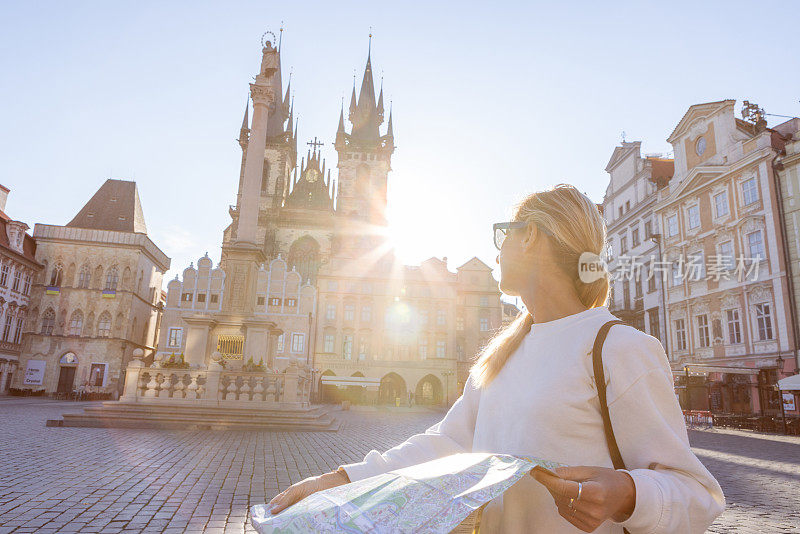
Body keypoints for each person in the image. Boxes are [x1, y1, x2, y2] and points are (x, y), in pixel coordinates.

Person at [268, 184, 725, 533]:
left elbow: (696, 494)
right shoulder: (503, 352)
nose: (497, 248)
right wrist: (339, 480)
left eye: (503, 235)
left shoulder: (618, 346)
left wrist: (628, 494)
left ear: (533, 239)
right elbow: (444, 445)